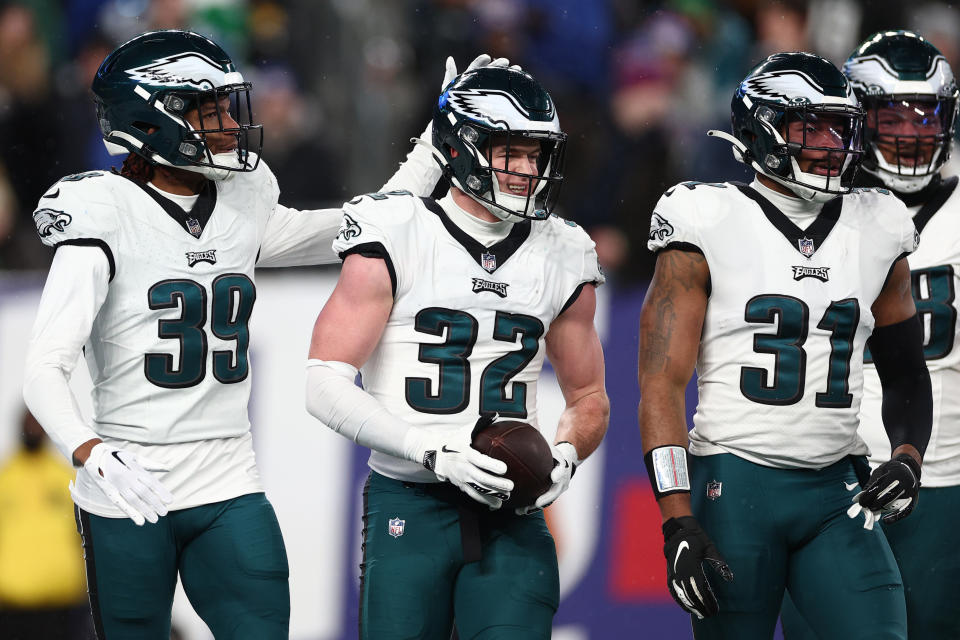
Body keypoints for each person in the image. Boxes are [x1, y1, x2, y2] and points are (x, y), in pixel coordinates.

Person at [21, 28, 508, 639]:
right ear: (154, 120)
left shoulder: (242, 196)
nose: (229, 122)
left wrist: (434, 152)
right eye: (210, 108)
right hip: (127, 481)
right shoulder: (102, 211)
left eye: (227, 105)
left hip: (228, 476)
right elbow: (44, 366)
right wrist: (90, 452)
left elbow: (357, 227)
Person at [304, 65, 609, 639]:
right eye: (510, 153)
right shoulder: (397, 228)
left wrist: (566, 454)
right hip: (410, 501)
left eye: (536, 155)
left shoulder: (565, 250)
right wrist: (431, 450)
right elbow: (322, 382)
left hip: (514, 512)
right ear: (464, 148)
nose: (527, 171)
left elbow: (589, 395)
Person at [637, 51, 933, 639]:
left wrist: (907, 459)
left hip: (838, 490)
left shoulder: (879, 223)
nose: (829, 143)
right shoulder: (705, 216)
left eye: (838, 126)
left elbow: (904, 373)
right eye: (808, 126)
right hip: (735, 484)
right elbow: (661, 384)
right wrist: (677, 519)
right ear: (761, 129)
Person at [781, 30, 960, 640]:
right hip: (833, 470)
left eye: (926, 114)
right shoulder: (810, 209)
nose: (911, 132)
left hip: (947, 471)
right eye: (890, 114)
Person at [0, 410, 94, 640]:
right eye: (28, 422)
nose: (33, 428)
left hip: (64, 608)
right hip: (10, 609)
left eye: (37, 422)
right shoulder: (5, 479)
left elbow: (87, 540)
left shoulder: (66, 479)